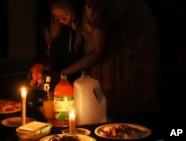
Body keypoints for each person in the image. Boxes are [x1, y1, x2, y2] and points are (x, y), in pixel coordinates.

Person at [30, 0, 162, 123]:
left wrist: (62, 74)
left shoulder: (96, 7)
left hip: (131, 38)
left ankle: (130, 126)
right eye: (56, 18)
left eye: (63, 17)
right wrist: (43, 64)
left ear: (74, 5)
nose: (61, 22)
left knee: (122, 84)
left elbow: (99, 52)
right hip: (109, 38)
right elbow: (53, 39)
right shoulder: (69, 12)